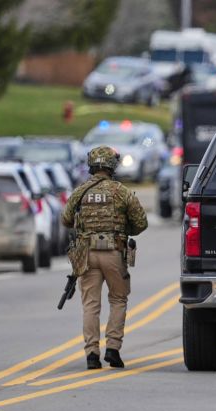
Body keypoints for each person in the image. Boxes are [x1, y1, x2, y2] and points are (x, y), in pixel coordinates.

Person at [62, 145, 148, 370]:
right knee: (118, 299)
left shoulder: (80, 192)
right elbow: (141, 223)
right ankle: (113, 348)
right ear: (112, 166)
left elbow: (65, 219)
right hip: (114, 252)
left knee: (90, 304)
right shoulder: (122, 192)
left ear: (91, 166)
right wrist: (124, 227)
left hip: (87, 254)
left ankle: (92, 353)